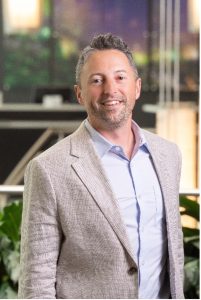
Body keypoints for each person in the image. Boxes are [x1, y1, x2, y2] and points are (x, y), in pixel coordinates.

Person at [18, 33, 184, 299]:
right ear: (80, 94)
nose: (110, 90)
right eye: (97, 80)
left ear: (137, 87)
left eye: (120, 77)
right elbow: (37, 280)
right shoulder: (48, 169)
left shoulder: (168, 155)